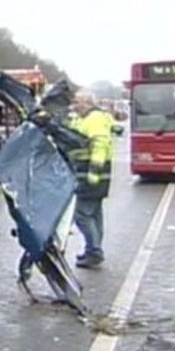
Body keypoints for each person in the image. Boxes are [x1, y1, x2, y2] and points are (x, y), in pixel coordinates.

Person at [65, 92, 115, 268]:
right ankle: (93, 250)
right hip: (91, 174)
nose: (75, 105)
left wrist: (94, 172)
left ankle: (94, 252)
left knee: (82, 214)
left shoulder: (94, 119)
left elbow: (100, 145)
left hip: (91, 174)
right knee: (94, 214)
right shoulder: (84, 119)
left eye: (77, 102)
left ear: (87, 103)